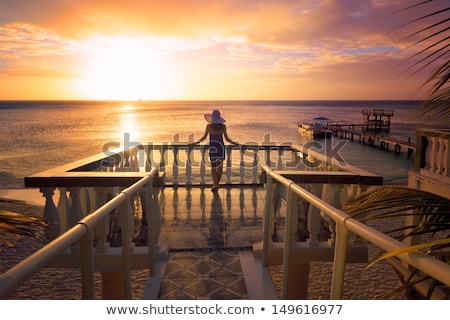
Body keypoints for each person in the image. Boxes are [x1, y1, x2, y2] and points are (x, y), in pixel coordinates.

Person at [194, 109, 239, 192]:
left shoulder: (209, 126)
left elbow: (203, 138)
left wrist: (194, 143)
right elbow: (227, 139)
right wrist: (236, 144)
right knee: (220, 167)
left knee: (213, 167)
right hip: (220, 147)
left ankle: (215, 184)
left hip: (213, 148)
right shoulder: (223, 126)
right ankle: (217, 184)